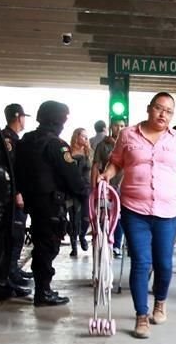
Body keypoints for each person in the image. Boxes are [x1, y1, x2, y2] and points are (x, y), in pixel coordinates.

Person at [98, 93, 176, 337]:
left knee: (163, 263)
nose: (163, 114)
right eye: (159, 108)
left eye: (168, 111)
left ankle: (160, 300)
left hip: (167, 212)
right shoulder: (128, 135)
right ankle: (141, 315)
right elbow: (116, 162)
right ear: (149, 109)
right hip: (134, 209)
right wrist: (107, 173)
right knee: (141, 262)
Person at [14, 101, 88, 306]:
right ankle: (43, 292)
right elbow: (72, 178)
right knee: (48, 246)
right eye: (64, 117)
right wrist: (86, 195)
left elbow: (17, 170)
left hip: (32, 201)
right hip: (50, 203)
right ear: (57, 119)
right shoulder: (56, 145)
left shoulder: (27, 140)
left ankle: (42, 289)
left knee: (40, 244)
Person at [2, 103, 33, 290]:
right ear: (17, 117)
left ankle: (13, 269)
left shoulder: (13, 138)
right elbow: (11, 170)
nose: (24, 121)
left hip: (15, 195)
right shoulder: (8, 140)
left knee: (18, 235)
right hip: (12, 197)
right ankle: (10, 273)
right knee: (14, 236)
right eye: (23, 117)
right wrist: (17, 193)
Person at [91, 115, 126, 257]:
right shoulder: (103, 145)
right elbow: (96, 166)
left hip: (125, 186)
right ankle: (107, 242)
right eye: (117, 125)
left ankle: (118, 244)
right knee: (109, 216)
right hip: (107, 186)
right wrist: (94, 187)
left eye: (122, 126)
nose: (119, 128)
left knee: (123, 216)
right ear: (111, 127)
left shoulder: (128, 142)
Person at [67, 128, 92, 256]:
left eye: (87, 137)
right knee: (73, 219)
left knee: (86, 217)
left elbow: (94, 169)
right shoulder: (69, 151)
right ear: (77, 136)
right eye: (83, 136)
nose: (86, 139)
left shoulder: (88, 152)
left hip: (86, 188)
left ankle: (82, 236)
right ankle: (74, 246)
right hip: (72, 189)